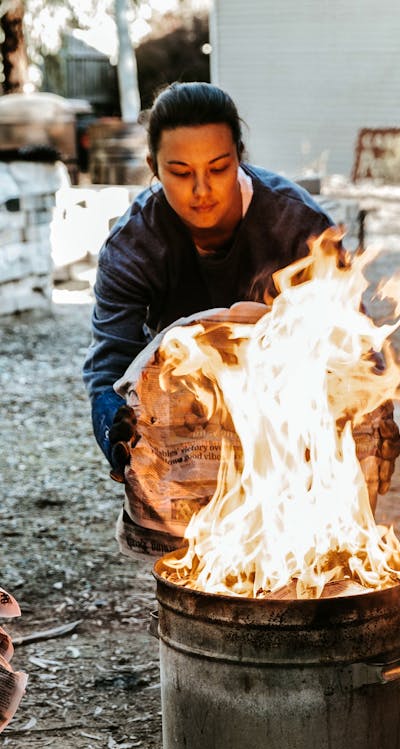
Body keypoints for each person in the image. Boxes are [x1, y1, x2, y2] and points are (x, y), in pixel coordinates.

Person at [83, 81, 400, 509]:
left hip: (293, 418)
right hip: (191, 420)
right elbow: (110, 366)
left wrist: (373, 420)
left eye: (218, 167)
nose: (201, 190)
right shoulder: (132, 246)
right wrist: (112, 426)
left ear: (239, 157)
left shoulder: (298, 226)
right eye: (180, 172)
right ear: (153, 168)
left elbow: (356, 346)